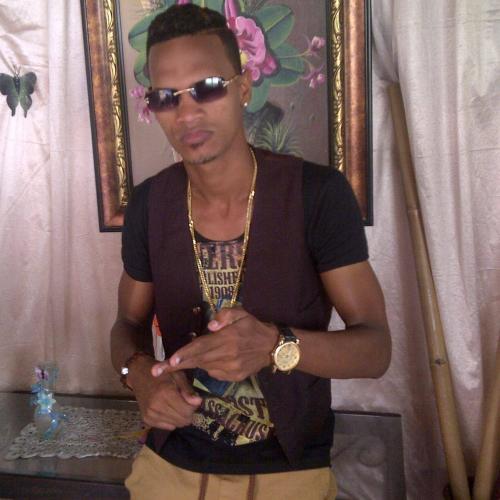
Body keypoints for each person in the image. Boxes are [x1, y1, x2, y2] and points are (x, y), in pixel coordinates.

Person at [110, 4, 391, 500]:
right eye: (166, 97)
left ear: (243, 87)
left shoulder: (317, 195)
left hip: (289, 469)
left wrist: (276, 346)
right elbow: (126, 324)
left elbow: (375, 349)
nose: (187, 113)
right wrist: (140, 379)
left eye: (207, 87)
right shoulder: (150, 205)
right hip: (171, 461)